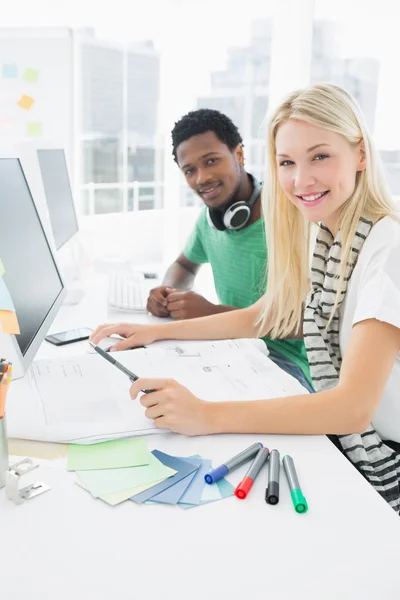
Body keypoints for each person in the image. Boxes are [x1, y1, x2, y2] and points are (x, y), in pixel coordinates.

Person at [91, 84, 400, 511]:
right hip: (356, 439)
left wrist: (208, 415)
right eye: (287, 162)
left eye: (320, 156)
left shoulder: (389, 244)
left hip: (382, 451)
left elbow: (352, 410)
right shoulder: (328, 232)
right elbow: (269, 315)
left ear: (361, 154)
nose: (299, 180)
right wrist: (155, 334)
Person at [146, 108, 312, 391]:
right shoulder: (209, 220)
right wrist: (168, 293)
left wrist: (213, 313)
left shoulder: (289, 214)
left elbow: (305, 324)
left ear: (239, 155)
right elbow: (184, 266)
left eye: (211, 161)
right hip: (231, 350)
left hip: (286, 364)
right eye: (190, 170)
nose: (202, 178)